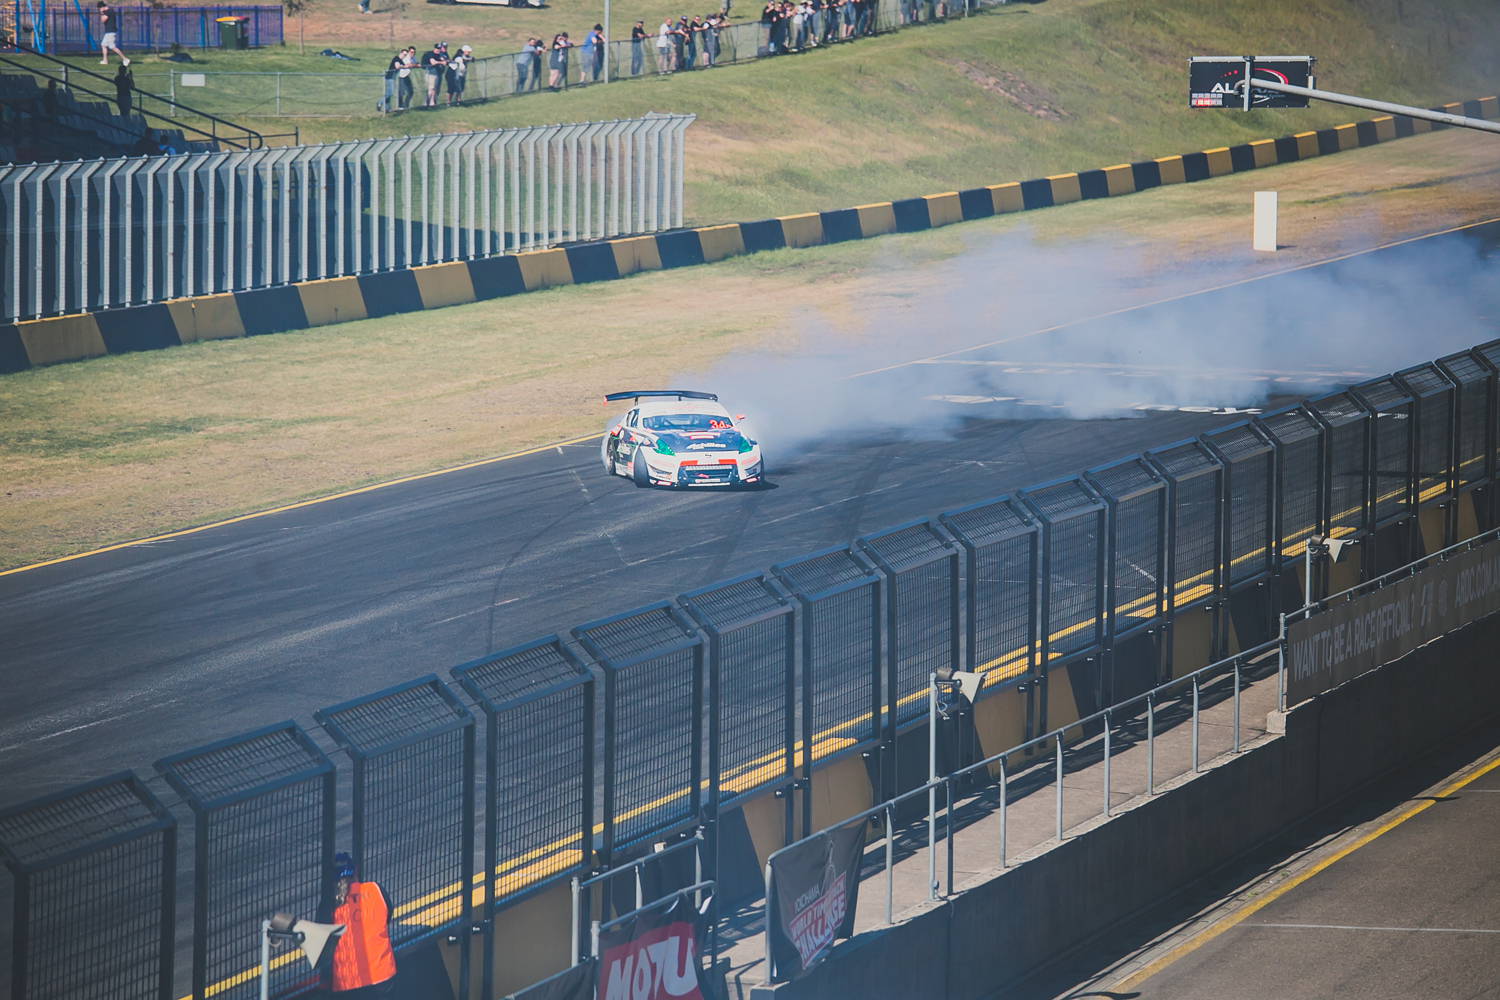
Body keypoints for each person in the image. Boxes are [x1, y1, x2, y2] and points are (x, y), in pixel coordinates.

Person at [328, 853, 397, 999]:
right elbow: (387, 917)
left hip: (346, 983)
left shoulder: (329, 904)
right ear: (356, 871)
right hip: (382, 977)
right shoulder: (376, 889)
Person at [97, 2, 128, 66]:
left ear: (102, 7)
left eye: (99, 8)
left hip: (110, 31)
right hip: (109, 31)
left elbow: (103, 20)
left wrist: (102, 13)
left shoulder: (108, 12)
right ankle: (105, 60)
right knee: (103, 45)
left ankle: (125, 59)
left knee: (112, 47)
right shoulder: (111, 11)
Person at [420, 41, 446, 107]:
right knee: (430, 89)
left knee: (434, 89)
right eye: (437, 48)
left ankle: (432, 103)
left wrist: (442, 61)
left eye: (440, 49)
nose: (439, 50)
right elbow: (433, 62)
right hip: (430, 74)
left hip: (436, 74)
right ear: (434, 48)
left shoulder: (438, 55)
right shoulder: (431, 54)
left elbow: (444, 61)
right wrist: (441, 62)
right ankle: (426, 103)